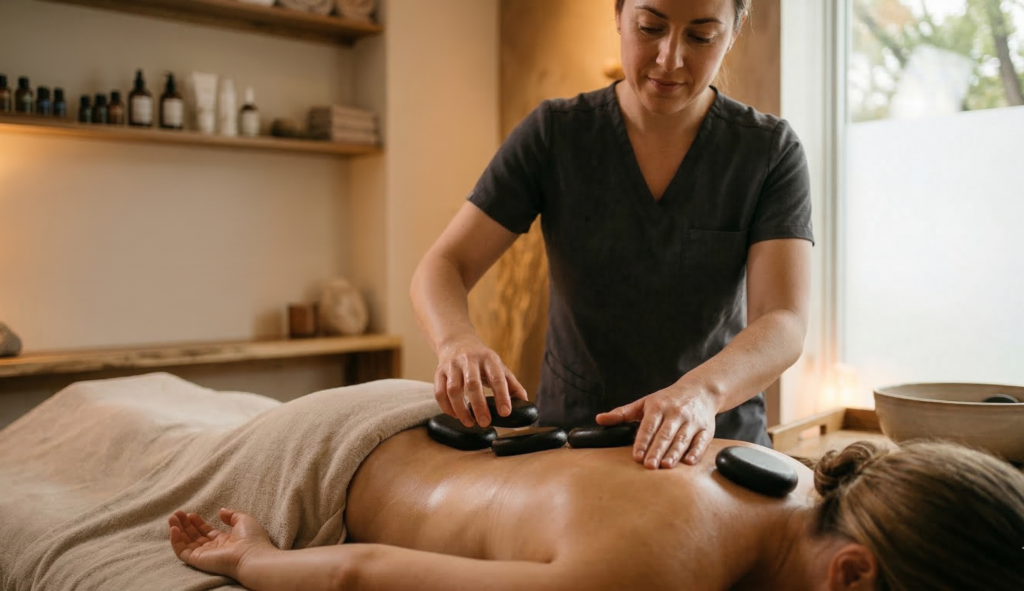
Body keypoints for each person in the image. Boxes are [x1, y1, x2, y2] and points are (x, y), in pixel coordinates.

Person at [410, 0, 814, 472]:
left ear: (735, 28)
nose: (670, 59)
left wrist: (701, 392)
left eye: (701, 37)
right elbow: (443, 265)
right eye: (650, 28)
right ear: (618, 15)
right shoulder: (555, 135)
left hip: (716, 446)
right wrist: (457, 341)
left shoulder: (769, 151)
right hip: (576, 446)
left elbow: (783, 319)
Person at [169, 435, 1024, 590]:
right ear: (851, 572)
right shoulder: (657, 573)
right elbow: (364, 571)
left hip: (444, 431)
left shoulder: (805, 484)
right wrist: (254, 558)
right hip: (337, 459)